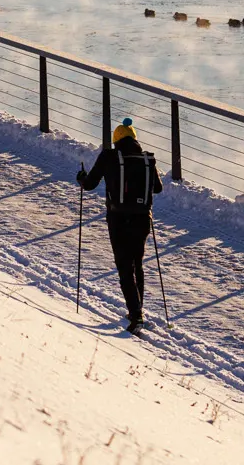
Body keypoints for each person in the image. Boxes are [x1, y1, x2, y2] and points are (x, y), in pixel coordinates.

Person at [77, 117, 163, 331]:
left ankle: (136, 316)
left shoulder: (108, 156)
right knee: (137, 264)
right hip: (143, 218)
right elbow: (158, 188)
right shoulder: (147, 160)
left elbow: (89, 184)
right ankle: (137, 308)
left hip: (118, 219)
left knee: (125, 267)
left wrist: (81, 177)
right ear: (134, 139)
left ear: (116, 141)